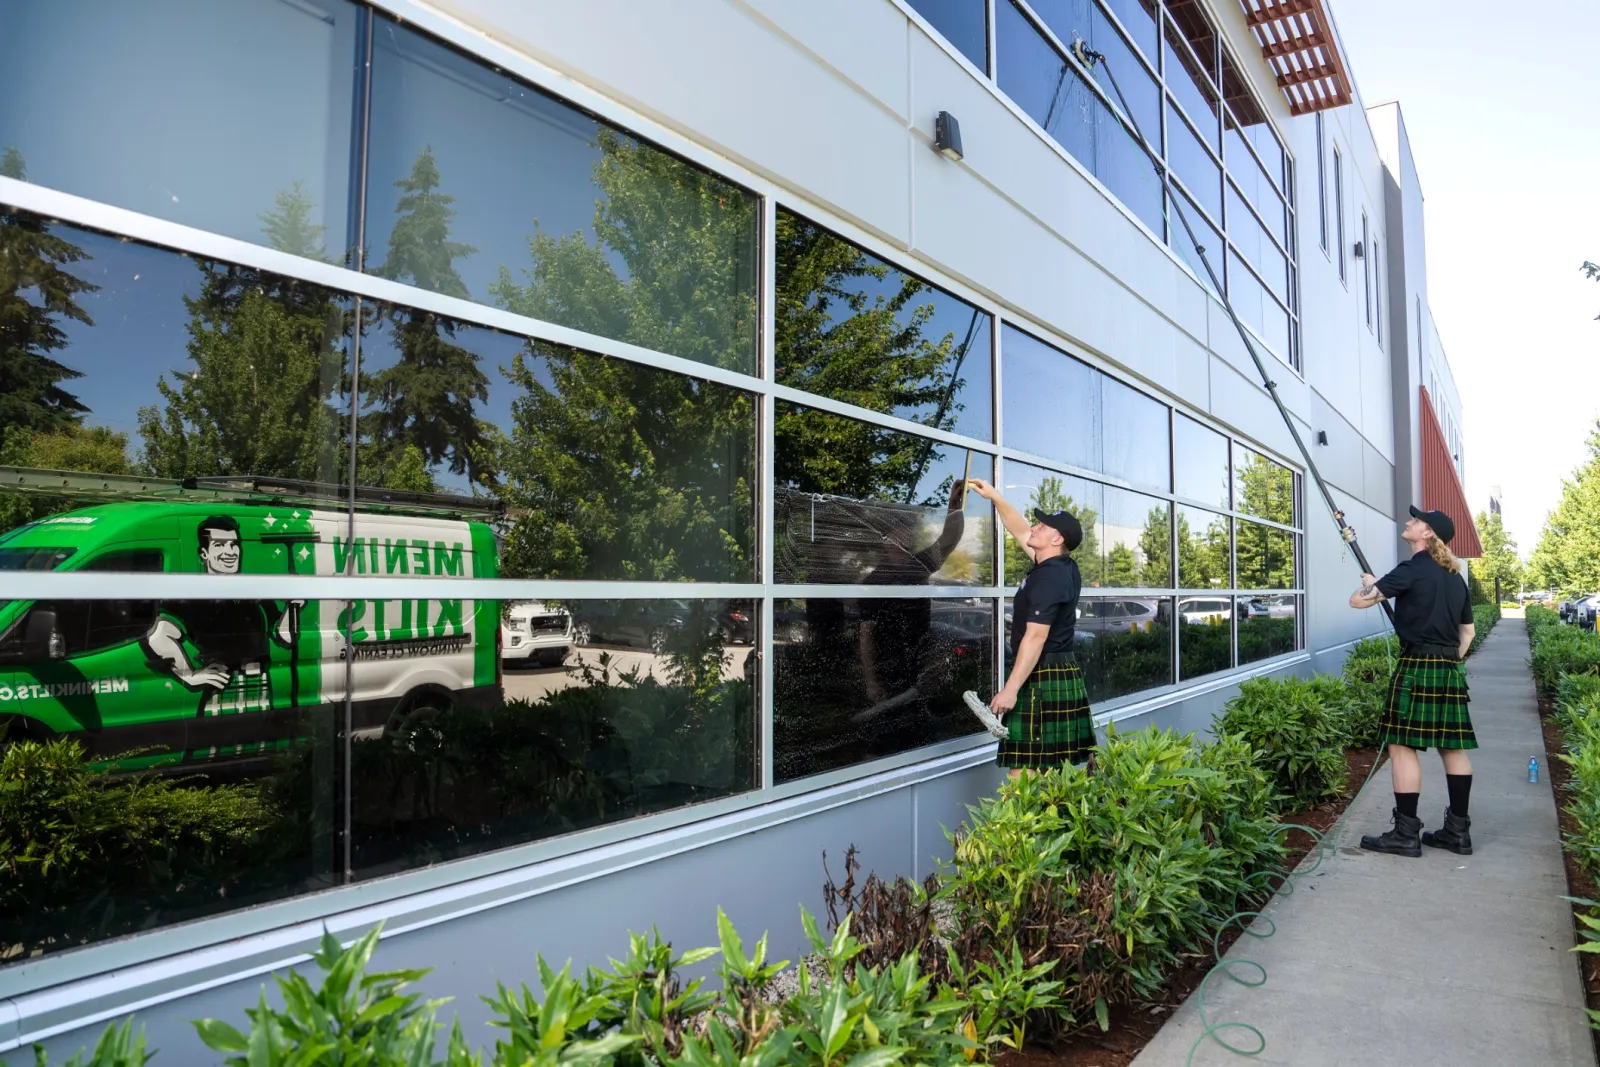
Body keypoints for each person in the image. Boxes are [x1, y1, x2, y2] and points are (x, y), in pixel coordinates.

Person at [1350, 505, 1477, 857]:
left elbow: (1357, 602)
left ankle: (1406, 834)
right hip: (1448, 668)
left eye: (1417, 521)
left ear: (1428, 534)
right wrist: (1450, 659)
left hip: (1416, 666)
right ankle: (1457, 832)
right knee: (1452, 747)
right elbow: (1468, 632)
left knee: (1401, 746)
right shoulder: (1455, 577)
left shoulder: (1411, 569)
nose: (1410, 522)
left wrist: (1373, 586)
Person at [965, 478, 1092, 775]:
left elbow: (1035, 638)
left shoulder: (1049, 579)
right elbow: (1020, 528)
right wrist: (996, 496)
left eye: (1044, 527)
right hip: (1055, 670)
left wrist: (1010, 690)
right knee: (1049, 773)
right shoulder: (1059, 564)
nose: (1035, 528)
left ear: (1057, 539)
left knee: (1022, 774)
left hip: (1043, 672)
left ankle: (1018, 823)